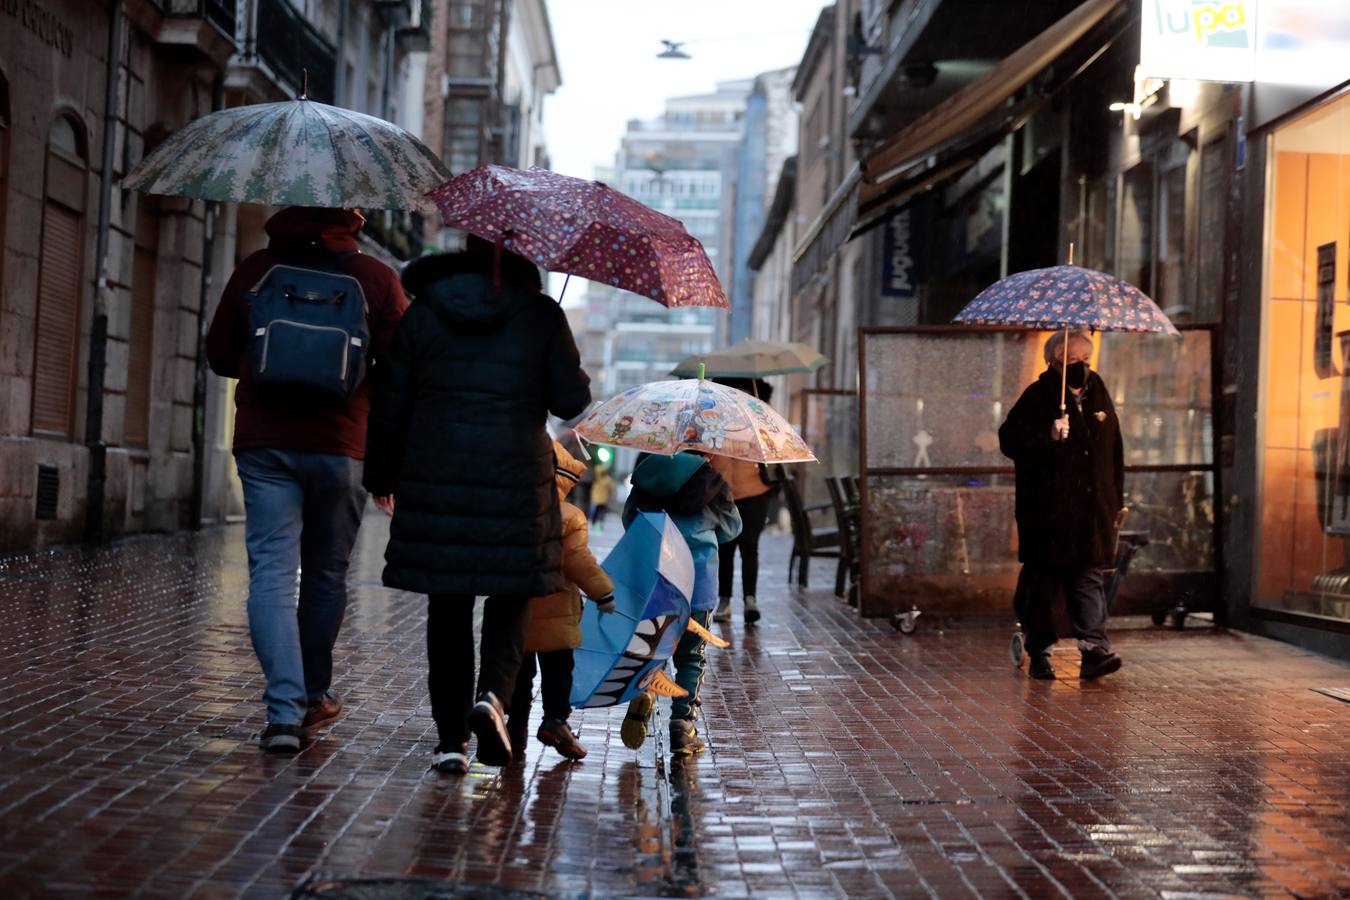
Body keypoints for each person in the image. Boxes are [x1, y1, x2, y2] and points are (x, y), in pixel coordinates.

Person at [363, 237, 591, 774]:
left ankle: (450, 743)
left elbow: (392, 399)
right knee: (510, 599)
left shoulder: (426, 312)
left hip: (436, 473)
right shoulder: (541, 313)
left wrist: (381, 474)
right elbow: (571, 402)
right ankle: (492, 698)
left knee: (448, 604)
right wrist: (556, 343)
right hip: (516, 479)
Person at [205, 207, 408, 753]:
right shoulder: (376, 278)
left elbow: (219, 354)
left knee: (271, 571)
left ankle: (282, 713)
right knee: (325, 575)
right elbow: (404, 368)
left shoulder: (257, 268)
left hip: (265, 440)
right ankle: (316, 692)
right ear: (351, 219)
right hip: (343, 445)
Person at [998, 329, 1124, 681]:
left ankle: (1094, 649)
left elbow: (1114, 450)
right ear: (1053, 362)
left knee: (1088, 578)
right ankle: (1039, 650)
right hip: (1048, 512)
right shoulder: (1038, 396)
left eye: (1086, 360)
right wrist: (1047, 438)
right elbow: (1008, 441)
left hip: (1090, 510)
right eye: (1073, 362)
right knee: (1043, 582)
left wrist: (1115, 501)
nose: (1082, 368)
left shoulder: (1098, 391)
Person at [619, 451, 741, 755]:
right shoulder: (711, 481)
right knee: (691, 655)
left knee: (652, 643)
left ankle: (645, 686)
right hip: (697, 581)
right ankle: (683, 726)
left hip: (654, 576)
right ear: (706, 448)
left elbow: (629, 519)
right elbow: (732, 528)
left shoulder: (648, 473)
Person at [507, 441, 616, 762]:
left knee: (519, 675)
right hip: (557, 613)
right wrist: (602, 592)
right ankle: (555, 721)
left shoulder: (510, 509)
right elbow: (577, 559)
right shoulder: (569, 516)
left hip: (515, 611)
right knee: (558, 671)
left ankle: (515, 731)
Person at [709, 378, 776, 625]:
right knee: (725, 548)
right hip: (723, 494)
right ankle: (725, 601)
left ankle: (750, 600)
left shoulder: (760, 420)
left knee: (750, 547)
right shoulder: (714, 420)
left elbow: (773, 452)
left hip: (755, 493)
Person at [590, 464, 615, 529]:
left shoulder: (595, 479)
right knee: (602, 512)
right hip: (604, 499)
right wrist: (611, 496)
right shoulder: (608, 479)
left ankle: (594, 523)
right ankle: (600, 523)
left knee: (595, 512)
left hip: (596, 499)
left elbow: (591, 488)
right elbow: (611, 489)